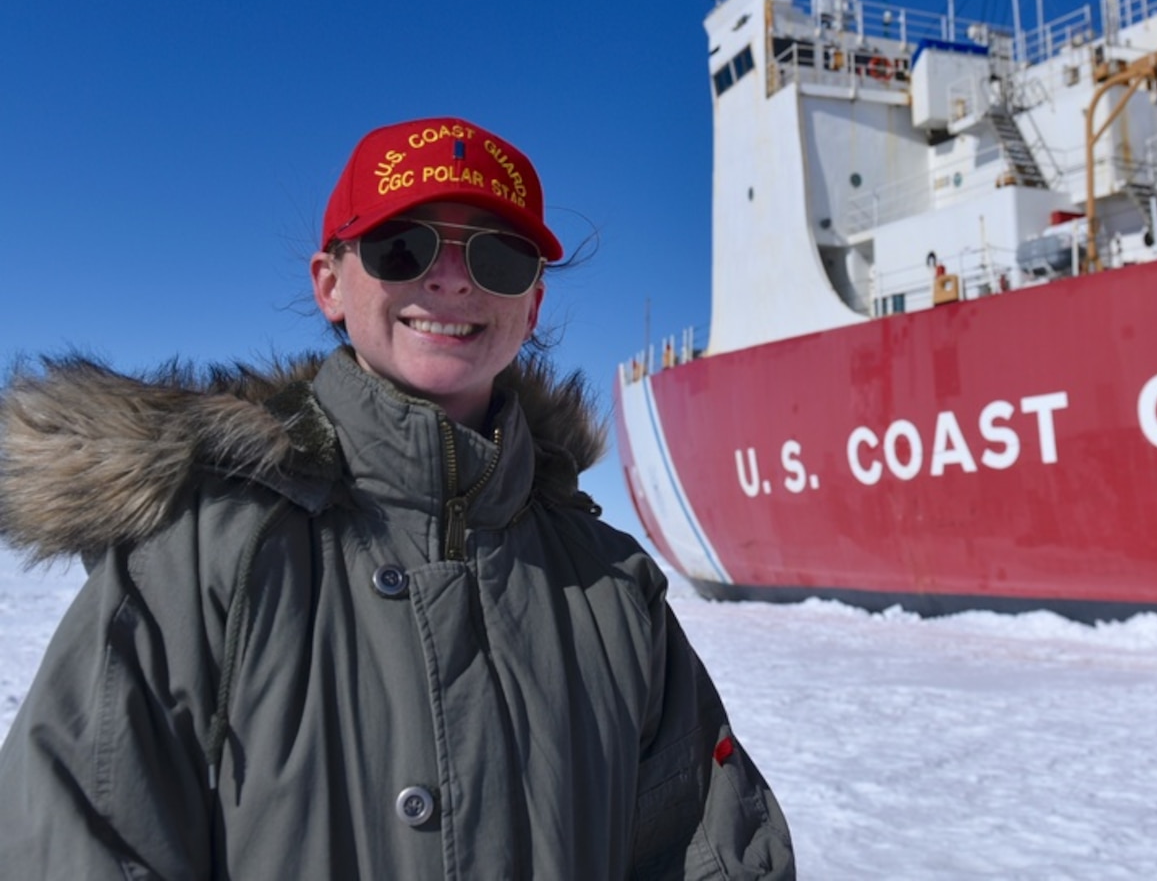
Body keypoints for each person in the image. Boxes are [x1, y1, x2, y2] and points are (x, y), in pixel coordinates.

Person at [0, 116, 795, 878]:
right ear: (330, 285)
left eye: (501, 258)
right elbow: (74, 845)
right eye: (402, 246)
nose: (450, 277)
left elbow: (705, 852)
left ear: (534, 305)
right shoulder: (203, 555)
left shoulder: (614, 590)